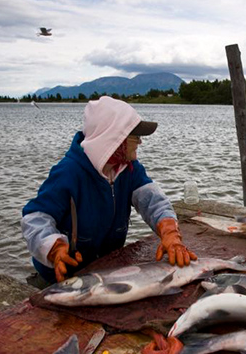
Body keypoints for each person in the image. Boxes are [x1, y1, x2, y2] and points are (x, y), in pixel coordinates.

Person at [21, 96, 197, 283]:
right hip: (63, 275)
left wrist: (170, 233)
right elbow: (35, 218)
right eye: (135, 136)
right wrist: (54, 249)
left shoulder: (130, 169)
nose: (140, 143)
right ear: (114, 138)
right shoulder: (69, 172)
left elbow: (153, 202)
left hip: (104, 270)